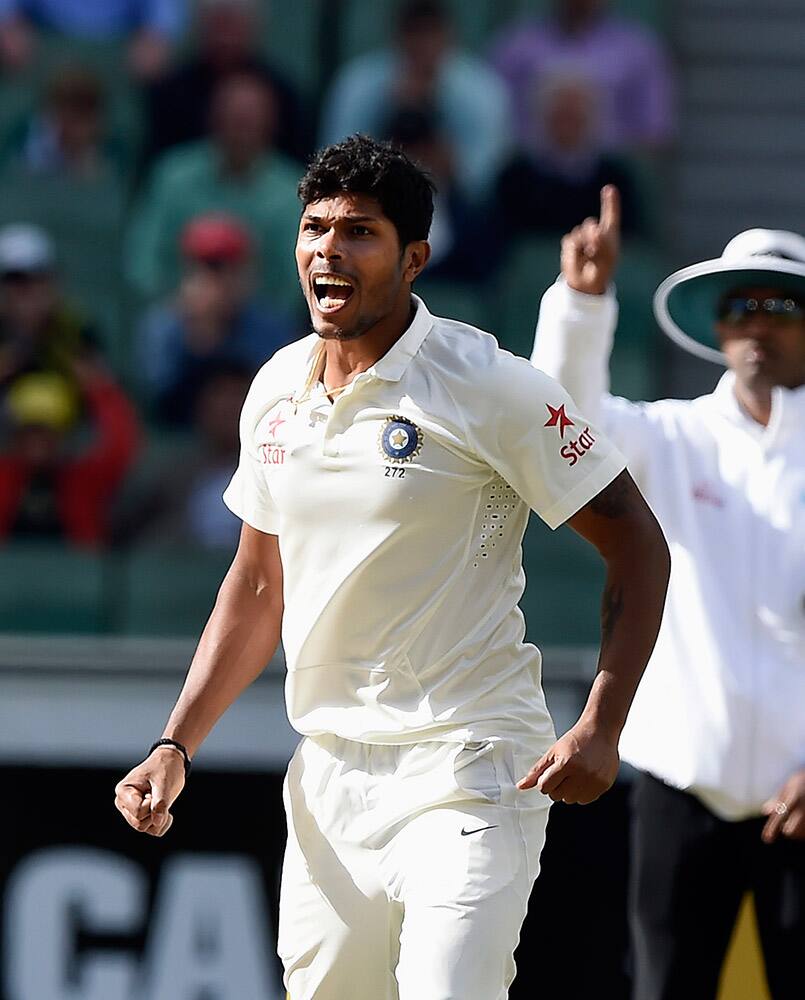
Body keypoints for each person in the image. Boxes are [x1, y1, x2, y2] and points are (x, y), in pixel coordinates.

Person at [113, 136, 669, 1000]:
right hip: (329, 772)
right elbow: (259, 585)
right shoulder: (273, 388)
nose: (328, 250)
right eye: (314, 228)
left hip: (469, 764)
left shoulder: (491, 384)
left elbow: (636, 540)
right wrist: (174, 744)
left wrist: (603, 722)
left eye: (359, 233)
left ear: (414, 257)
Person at [531, 186, 805, 999]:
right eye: (739, 304)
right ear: (717, 326)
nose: (756, 321)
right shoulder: (674, 437)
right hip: (680, 784)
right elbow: (566, 428)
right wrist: (581, 303)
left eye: (779, 304)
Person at [126, 70, 301, 315]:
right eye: (235, 120)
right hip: (179, 312)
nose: (241, 132)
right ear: (215, 120)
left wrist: (241, 303)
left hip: (257, 318)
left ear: (270, 125)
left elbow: (296, 281)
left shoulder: (291, 191)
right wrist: (179, 299)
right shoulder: (173, 176)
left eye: (249, 122)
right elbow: (142, 262)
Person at [319, 0, 511, 198]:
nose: (422, 44)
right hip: (375, 191)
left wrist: (449, 162)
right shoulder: (358, 83)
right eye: (414, 32)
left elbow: (489, 173)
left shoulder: (481, 89)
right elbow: (335, 161)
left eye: (431, 32)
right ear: (397, 35)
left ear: (449, 35)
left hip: (455, 202)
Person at [137, 213, 295, 425]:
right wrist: (200, 337)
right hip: (179, 446)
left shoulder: (271, 326)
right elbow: (159, 407)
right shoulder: (162, 326)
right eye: (210, 268)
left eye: (232, 269)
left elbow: (281, 400)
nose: (221, 281)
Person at [491, 0, 674, 154]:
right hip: (529, 181)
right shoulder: (517, 46)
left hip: (611, 182)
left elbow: (653, 133)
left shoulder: (638, 50)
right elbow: (494, 122)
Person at [145, 0, 310, 166]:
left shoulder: (282, 94)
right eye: (219, 25)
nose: (225, 37)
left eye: (232, 25)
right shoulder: (170, 93)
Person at [0, 360, 139, 545]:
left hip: (79, 573)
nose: (38, 443)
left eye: (47, 433)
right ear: (16, 436)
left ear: (62, 437)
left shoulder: (81, 480)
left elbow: (120, 448)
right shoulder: (4, 476)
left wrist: (99, 389)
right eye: (30, 431)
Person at [113, 364, 248, 550]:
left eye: (237, 396)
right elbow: (125, 520)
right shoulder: (172, 471)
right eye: (220, 396)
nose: (229, 406)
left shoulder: (272, 471)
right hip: (173, 570)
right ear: (202, 406)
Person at [493, 71, 642, 238]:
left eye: (575, 116)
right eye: (561, 116)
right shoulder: (515, 178)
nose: (567, 125)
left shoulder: (615, 180)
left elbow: (630, 241)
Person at [0, 223, 100, 396]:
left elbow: (106, 398)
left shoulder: (76, 328)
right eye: (16, 279)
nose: (28, 289)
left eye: (37, 277)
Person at [0, 0, 186, 81]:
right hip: (47, 47)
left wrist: (155, 39)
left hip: (118, 56)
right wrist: (8, 25)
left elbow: (163, 16)